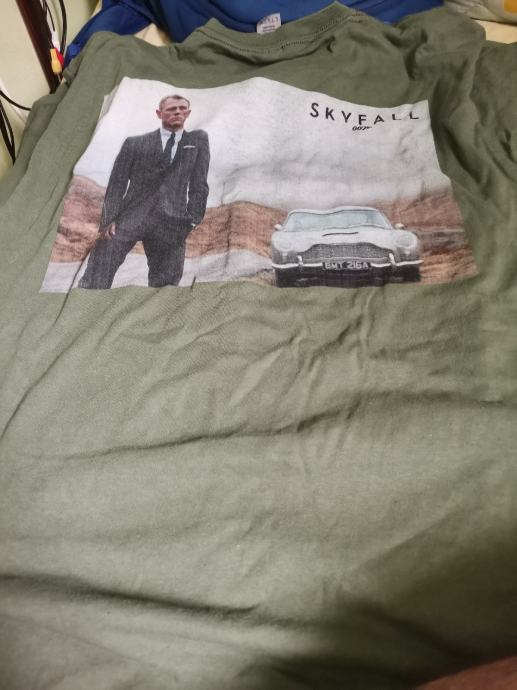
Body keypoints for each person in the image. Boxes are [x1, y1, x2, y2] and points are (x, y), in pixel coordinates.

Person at [79, 95, 210, 288]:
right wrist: (108, 221)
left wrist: (191, 220)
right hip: (130, 217)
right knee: (99, 267)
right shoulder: (135, 143)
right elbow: (117, 184)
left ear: (188, 113)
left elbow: (199, 185)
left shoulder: (197, 141)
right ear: (159, 113)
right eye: (171, 109)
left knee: (165, 286)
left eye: (182, 108)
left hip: (171, 224)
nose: (177, 112)